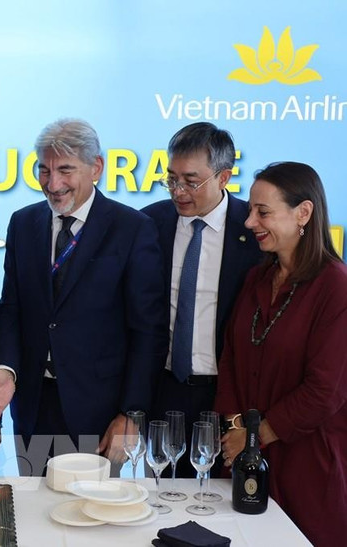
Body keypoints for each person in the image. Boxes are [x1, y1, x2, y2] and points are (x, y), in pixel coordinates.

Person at [0, 118, 168, 475]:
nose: (53, 183)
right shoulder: (23, 223)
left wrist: (131, 413)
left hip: (99, 411)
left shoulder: (132, 228)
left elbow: (149, 331)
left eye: (65, 170)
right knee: (34, 513)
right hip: (33, 404)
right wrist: (6, 370)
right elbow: (13, 309)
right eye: (44, 170)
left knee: (90, 518)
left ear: (96, 168)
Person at [215, 162, 347, 546]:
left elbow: (325, 391)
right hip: (243, 458)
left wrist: (254, 438)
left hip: (306, 467)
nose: (249, 221)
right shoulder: (256, 277)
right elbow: (230, 358)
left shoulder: (335, 289)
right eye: (251, 210)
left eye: (263, 212)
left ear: (303, 213)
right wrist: (238, 428)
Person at [141, 122, 262, 477]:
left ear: (224, 177)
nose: (178, 191)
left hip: (225, 397)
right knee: (163, 495)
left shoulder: (252, 231)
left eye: (191, 181)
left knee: (221, 504)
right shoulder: (151, 223)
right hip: (164, 389)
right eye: (172, 178)